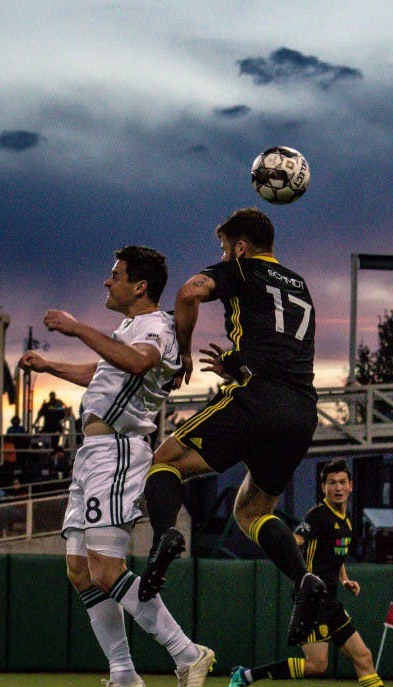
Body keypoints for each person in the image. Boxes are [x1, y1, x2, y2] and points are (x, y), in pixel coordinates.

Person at [18, 245, 214, 687]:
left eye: (115, 275)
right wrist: (51, 367)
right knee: (81, 571)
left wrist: (76, 326)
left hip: (120, 452)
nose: (108, 282)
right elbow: (106, 371)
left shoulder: (155, 326)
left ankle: (188, 653)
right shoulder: (130, 329)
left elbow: (138, 363)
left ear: (139, 285)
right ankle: (124, 675)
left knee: (106, 570)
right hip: (92, 455)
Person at [137, 208, 325, 646]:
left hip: (257, 400)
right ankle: (304, 580)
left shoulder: (240, 269)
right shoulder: (300, 286)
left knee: (164, 463)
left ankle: (164, 536)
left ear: (240, 247)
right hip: (301, 412)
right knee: (253, 511)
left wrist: (182, 352)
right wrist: (236, 365)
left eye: (224, 247)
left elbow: (188, 293)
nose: (222, 254)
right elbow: (281, 352)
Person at [226, 459, 393, 687]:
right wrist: (275, 541)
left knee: (364, 657)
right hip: (312, 600)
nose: (338, 487)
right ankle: (245, 676)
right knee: (317, 665)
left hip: (331, 600)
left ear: (351, 486)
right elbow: (297, 540)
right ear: (323, 488)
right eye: (332, 483)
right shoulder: (318, 516)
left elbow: (332, 555)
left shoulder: (346, 520)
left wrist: (345, 579)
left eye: (342, 482)